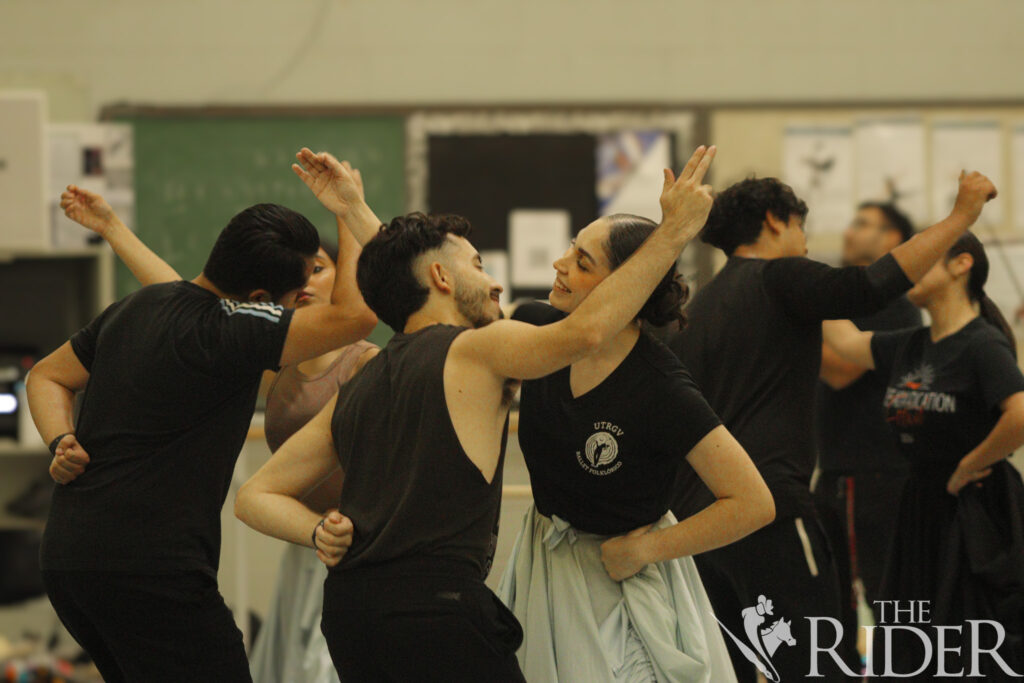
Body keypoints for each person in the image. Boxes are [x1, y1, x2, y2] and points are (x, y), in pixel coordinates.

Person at [234, 146, 719, 681]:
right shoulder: (479, 350)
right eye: (480, 265)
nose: (495, 283)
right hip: (438, 613)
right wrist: (673, 234)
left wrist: (317, 530)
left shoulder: (362, 378)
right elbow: (584, 333)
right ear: (443, 278)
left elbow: (254, 496)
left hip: (351, 615)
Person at [27, 172, 378, 682]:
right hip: (151, 571)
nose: (303, 297)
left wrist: (61, 437)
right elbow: (357, 315)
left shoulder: (139, 307)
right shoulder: (236, 330)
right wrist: (349, 210)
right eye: (297, 289)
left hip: (69, 561)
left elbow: (47, 376)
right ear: (259, 297)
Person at [667, 170, 998, 681]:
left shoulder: (701, 307)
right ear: (776, 221)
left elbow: (845, 348)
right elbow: (867, 287)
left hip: (700, 525)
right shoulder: (781, 277)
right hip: (768, 512)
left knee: (732, 670)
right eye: (801, 226)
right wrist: (961, 217)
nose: (805, 241)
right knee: (819, 666)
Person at [496, 211, 774, 682]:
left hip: (623, 579)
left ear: (631, 284)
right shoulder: (538, 332)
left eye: (582, 262)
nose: (560, 264)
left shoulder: (661, 386)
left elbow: (753, 502)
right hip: (543, 567)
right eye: (570, 248)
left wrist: (649, 549)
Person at [823, 232, 1024, 678]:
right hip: (920, 506)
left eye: (926, 259)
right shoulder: (911, 344)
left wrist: (971, 464)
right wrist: (794, 276)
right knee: (912, 639)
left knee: (969, 646)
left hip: (976, 509)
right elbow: (846, 343)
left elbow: (1020, 415)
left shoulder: (981, 344)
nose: (910, 270)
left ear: (961, 265)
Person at [815, 202, 921, 647]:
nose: (849, 231)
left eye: (863, 223)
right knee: (834, 600)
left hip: (872, 474)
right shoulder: (844, 299)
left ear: (892, 239)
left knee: (881, 597)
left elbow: (840, 369)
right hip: (839, 471)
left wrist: (800, 306)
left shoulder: (892, 304)